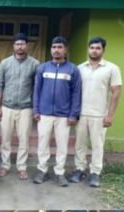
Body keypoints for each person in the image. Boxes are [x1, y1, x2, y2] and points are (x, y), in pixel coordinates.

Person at [69, 36, 122, 188]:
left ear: (103, 50)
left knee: (97, 145)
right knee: (80, 144)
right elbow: (73, 92)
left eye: (98, 48)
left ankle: (95, 173)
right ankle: (79, 169)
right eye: (92, 47)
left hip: (99, 115)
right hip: (81, 114)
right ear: (88, 49)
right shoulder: (79, 68)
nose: (94, 50)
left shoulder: (112, 68)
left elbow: (116, 92)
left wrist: (110, 115)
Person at [32, 36, 82, 187]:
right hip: (44, 114)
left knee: (62, 146)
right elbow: (36, 91)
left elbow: (76, 93)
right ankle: (42, 170)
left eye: (60, 47)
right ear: (51, 49)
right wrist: (36, 110)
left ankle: (59, 172)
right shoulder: (43, 68)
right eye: (54, 47)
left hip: (64, 116)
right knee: (43, 144)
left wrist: (73, 114)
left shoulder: (73, 69)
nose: (56, 50)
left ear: (65, 49)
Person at [0, 32, 40, 180]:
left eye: (22, 44)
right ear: (13, 46)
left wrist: (36, 108)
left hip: (26, 108)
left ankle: (22, 167)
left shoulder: (35, 64)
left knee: (23, 140)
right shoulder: (5, 63)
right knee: (6, 138)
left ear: (27, 45)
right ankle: (5, 165)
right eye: (17, 44)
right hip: (7, 107)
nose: (20, 47)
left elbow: (37, 87)